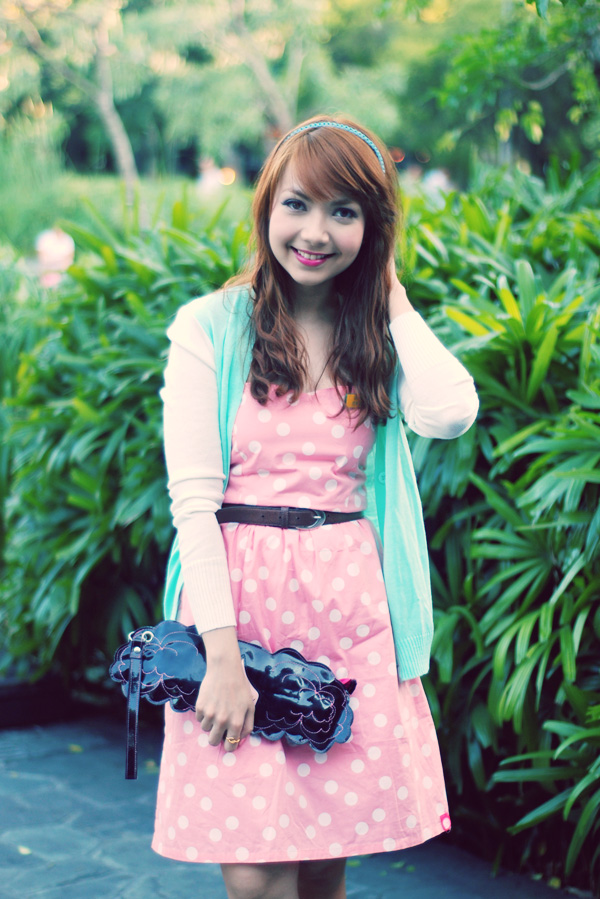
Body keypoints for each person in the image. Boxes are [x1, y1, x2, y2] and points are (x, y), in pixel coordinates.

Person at [152, 115, 479, 899]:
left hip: (347, 612)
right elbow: (194, 503)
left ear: (375, 227)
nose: (316, 232)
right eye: (298, 204)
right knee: (256, 875)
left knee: (324, 862)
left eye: (345, 211)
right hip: (237, 613)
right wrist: (221, 659)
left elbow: (450, 412)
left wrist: (391, 296)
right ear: (268, 205)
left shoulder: (375, 335)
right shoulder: (211, 327)